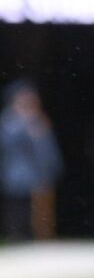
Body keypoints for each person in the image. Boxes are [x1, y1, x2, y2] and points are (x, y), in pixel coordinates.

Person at [1, 81, 62, 241]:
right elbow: (7, 143)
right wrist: (25, 126)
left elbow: (48, 148)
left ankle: (37, 239)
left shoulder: (40, 120)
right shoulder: (8, 120)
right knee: (17, 210)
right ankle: (16, 236)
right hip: (15, 177)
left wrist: (52, 169)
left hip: (38, 176)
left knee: (40, 215)